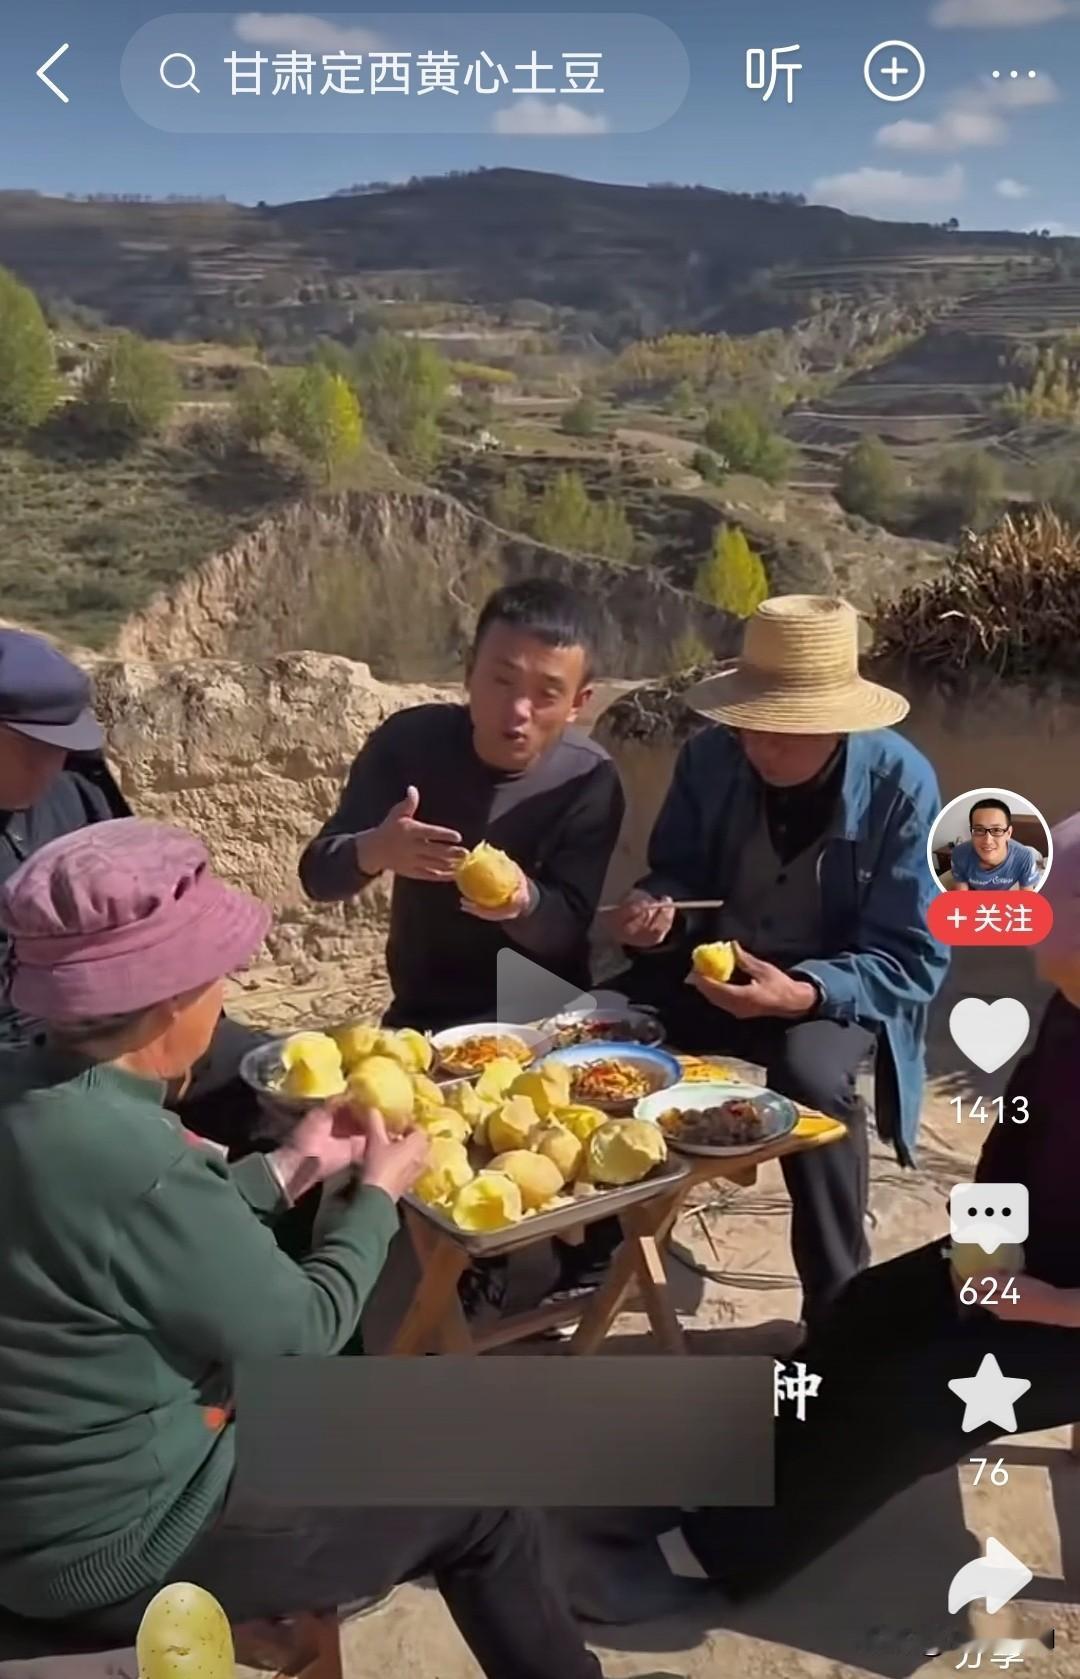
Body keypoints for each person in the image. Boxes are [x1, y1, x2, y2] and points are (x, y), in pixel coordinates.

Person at [0, 819, 603, 1679]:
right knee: (485, 1480)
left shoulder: (30, 1093)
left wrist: (287, 1169)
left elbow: (129, 1245)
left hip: (38, 1511)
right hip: (119, 1544)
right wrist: (373, 1199)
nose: (223, 999)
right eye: (216, 978)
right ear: (170, 999)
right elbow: (300, 1334)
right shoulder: (140, 1161)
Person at [670, 804, 1080, 1600]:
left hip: (1070, 1312)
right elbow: (1018, 1132)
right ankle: (734, 1475)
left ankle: (719, 1557)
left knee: (917, 1397)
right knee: (862, 1311)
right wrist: (985, 1240)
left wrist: (1044, 1303)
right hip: (1028, 1260)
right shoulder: (1071, 1006)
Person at [608, 596, 949, 1322]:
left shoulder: (903, 789)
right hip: (715, 972)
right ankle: (593, 1248)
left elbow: (913, 957)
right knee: (604, 1029)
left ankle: (837, 1308)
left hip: (832, 991)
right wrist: (658, 914)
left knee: (813, 1079)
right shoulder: (710, 758)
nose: (760, 744)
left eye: (785, 728)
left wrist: (805, 991)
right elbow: (676, 873)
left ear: (838, 721)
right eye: (750, 722)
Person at [299, 578, 626, 1032]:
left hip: (547, 1019)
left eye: (546, 694)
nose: (519, 710)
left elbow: (569, 926)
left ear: (578, 703)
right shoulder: (410, 744)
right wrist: (375, 850)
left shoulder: (587, 779)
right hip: (425, 1017)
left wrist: (524, 902)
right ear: (470, 671)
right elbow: (317, 876)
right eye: (502, 680)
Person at [0, 626, 268, 1157]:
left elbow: (151, 932)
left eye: (62, 747)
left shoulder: (76, 794)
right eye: (34, 748)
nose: (52, 765)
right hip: (29, 1083)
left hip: (126, 1031)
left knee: (277, 1085)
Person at [949, 798, 1041, 893]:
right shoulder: (959, 854)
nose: (988, 841)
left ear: (1008, 833)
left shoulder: (1025, 857)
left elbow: (1027, 896)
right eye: (979, 830)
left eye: (997, 830)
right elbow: (961, 893)